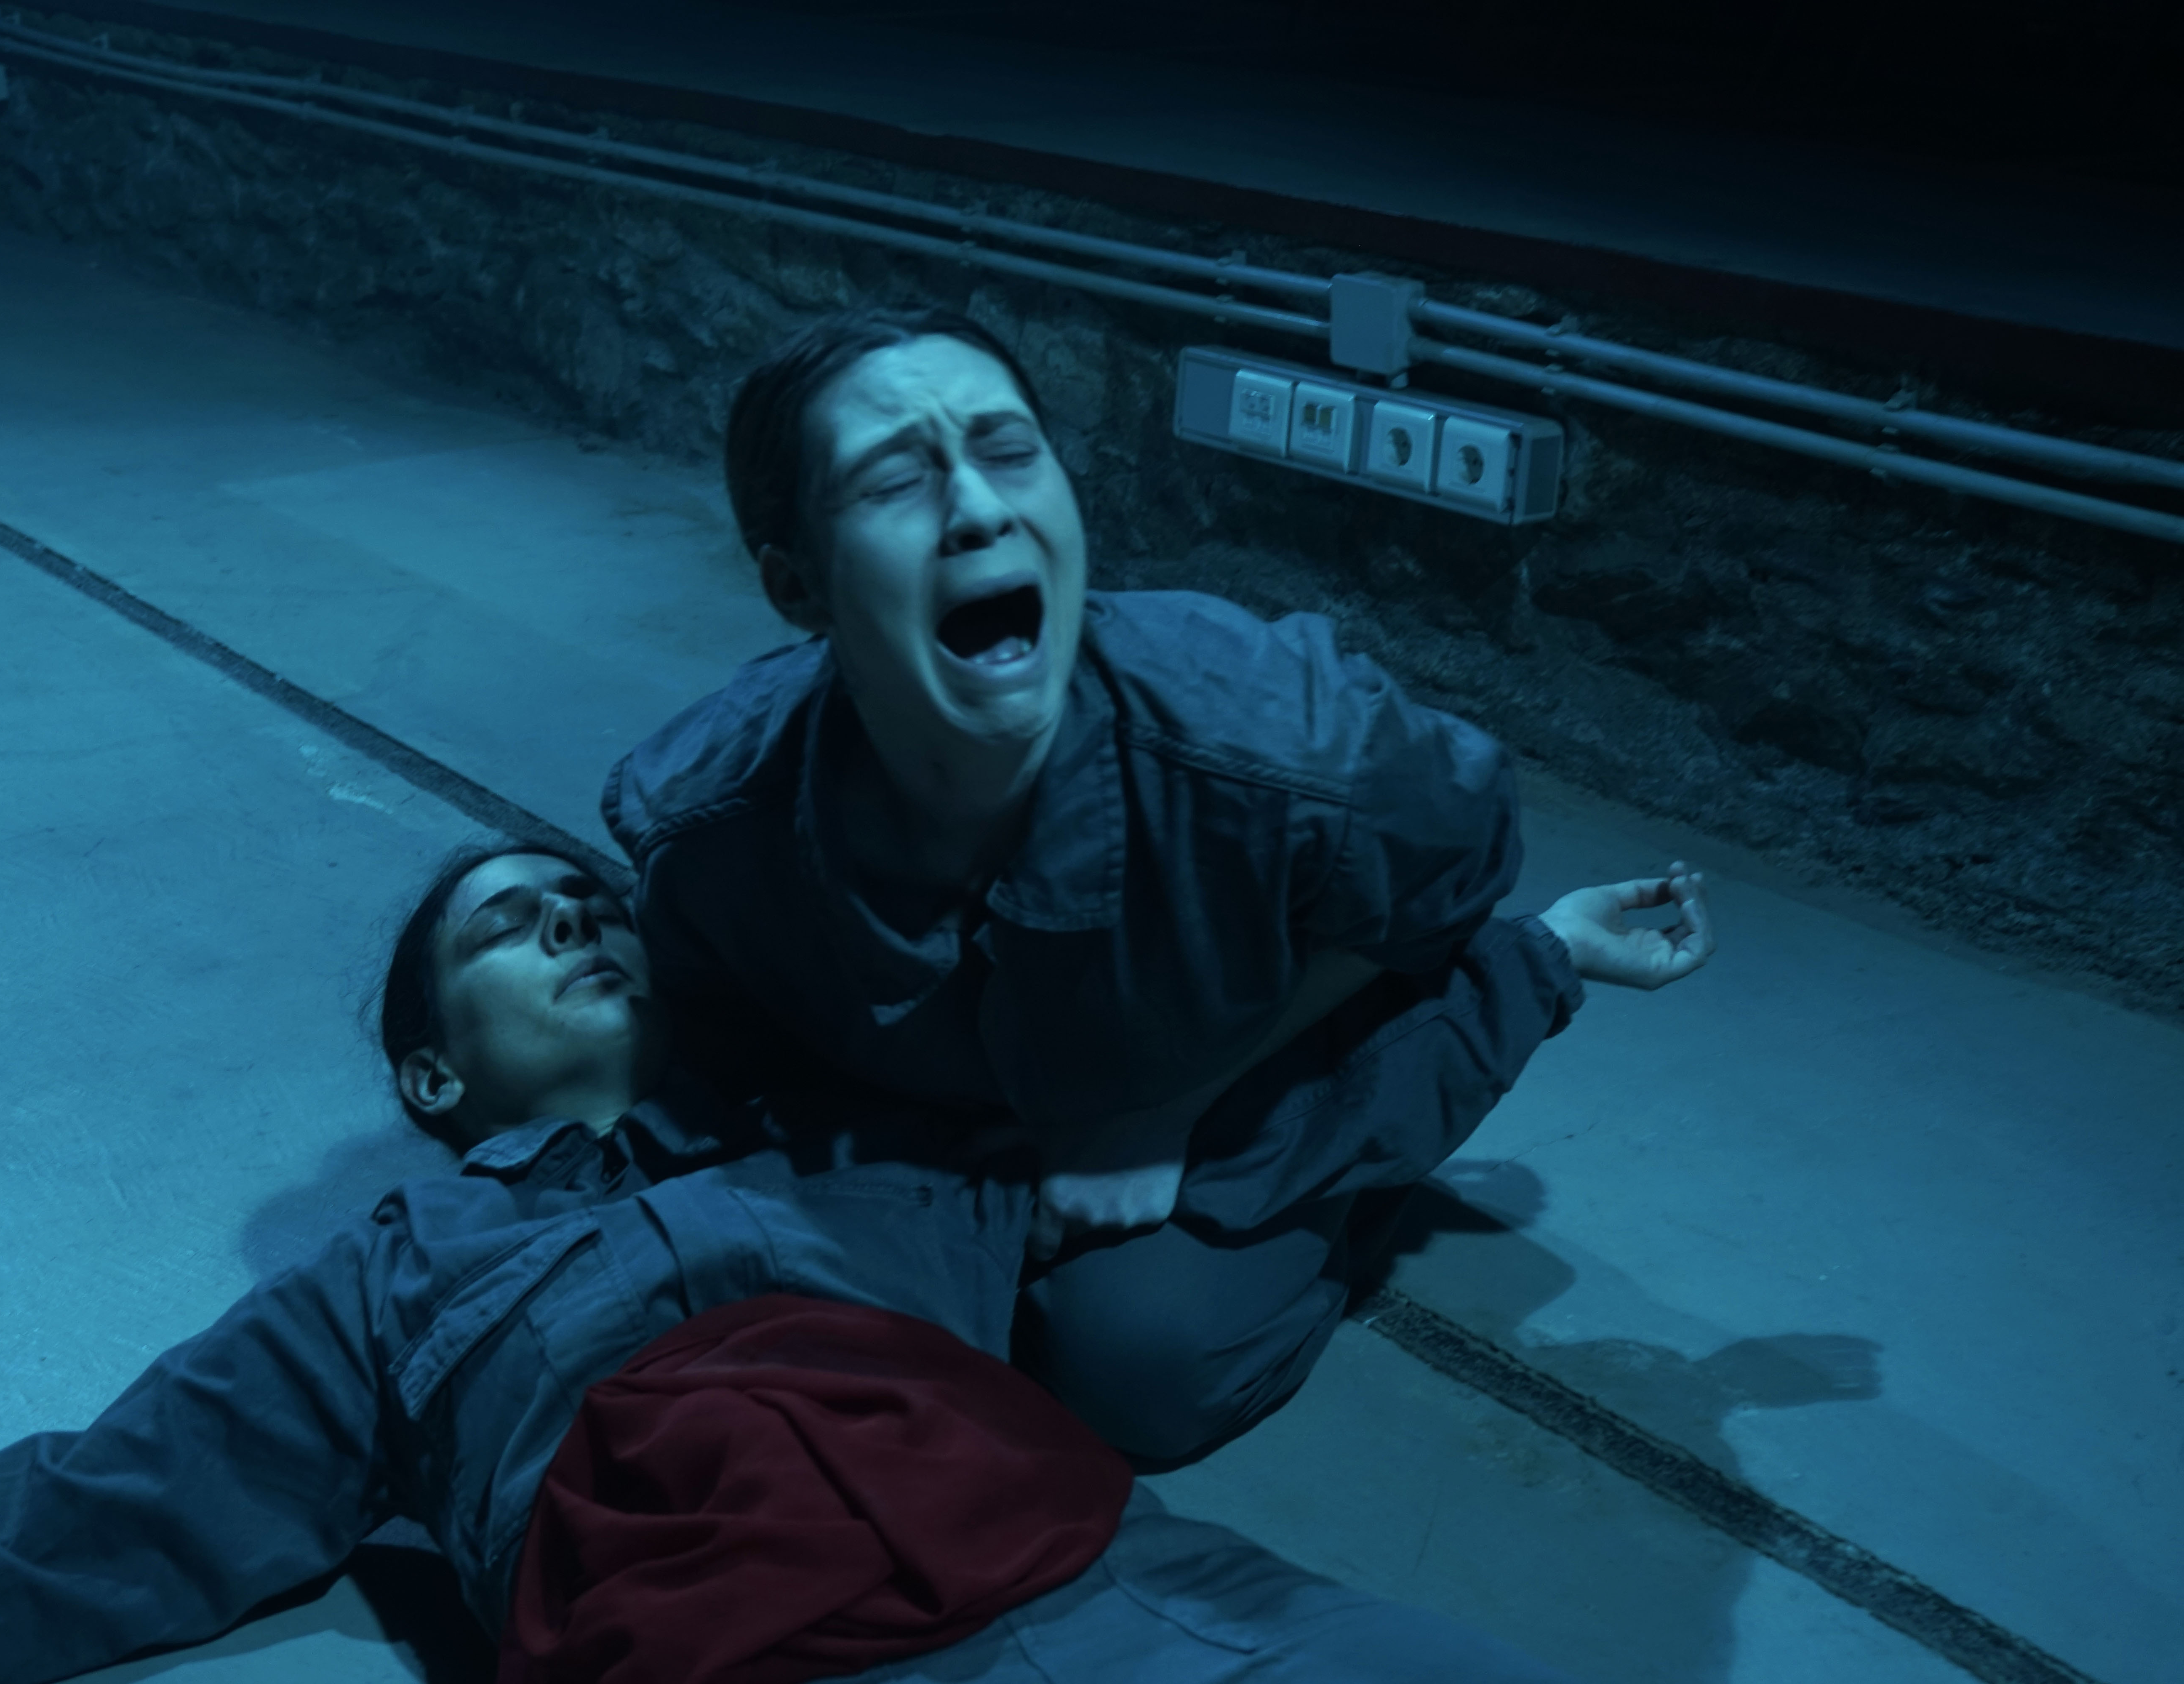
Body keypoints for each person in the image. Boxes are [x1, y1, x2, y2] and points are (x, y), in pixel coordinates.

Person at [0, 843, 1630, 1683]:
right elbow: (58, 1528)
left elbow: (1257, 1136)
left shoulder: (864, 1147)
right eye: (511, 925)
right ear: (436, 1072)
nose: (576, 920)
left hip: (1145, 1598)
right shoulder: (394, 1281)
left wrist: (1538, 963)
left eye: (591, 900)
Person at [604, 307, 1716, 1466]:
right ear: (797, 587)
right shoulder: (711, 821)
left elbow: (1458, 852)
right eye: (894, 481)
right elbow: (721, 1081)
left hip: (1215, 1048)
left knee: (1140, 1364)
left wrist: (1165, 1109)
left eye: (1010, 451)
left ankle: (1520, 977)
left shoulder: (1283, 739)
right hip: (956, 1096)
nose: (979, 510)